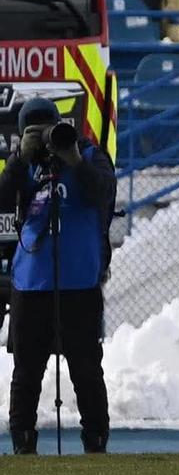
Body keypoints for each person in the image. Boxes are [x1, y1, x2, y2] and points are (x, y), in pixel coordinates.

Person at [1, 98, 115, 454]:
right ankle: (22, 440)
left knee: (86, 368)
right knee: (27, 369)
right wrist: (21, 159)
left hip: (79, 280)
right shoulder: (23, 167)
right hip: (30, 282)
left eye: (48, 129)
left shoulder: (88, 155)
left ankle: (95, 439)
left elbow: (103, 193)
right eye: (33, 132)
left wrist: (74, 161)